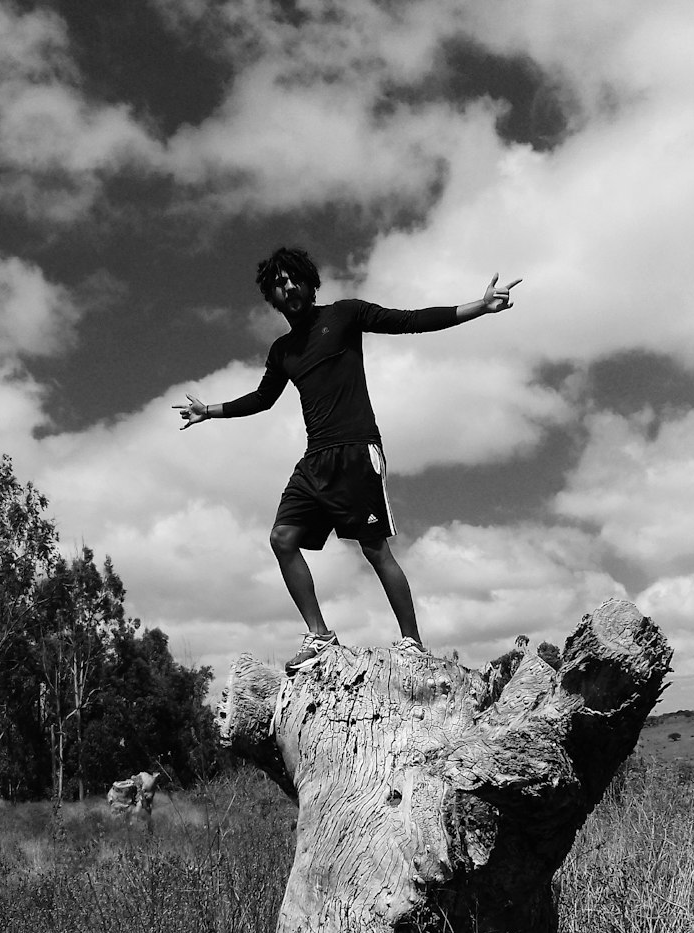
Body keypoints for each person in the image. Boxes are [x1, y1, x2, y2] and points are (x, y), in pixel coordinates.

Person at [175, 247, 521, 672]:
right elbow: (263, 400)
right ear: (272, 298)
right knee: (282, 539)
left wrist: (479, 307)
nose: (288, 287)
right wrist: (209, 410)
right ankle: (319, 636)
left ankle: (412, 644)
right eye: (278, 284)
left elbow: (409, 321)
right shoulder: (282, 351)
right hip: (315, 460)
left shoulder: (344, 315)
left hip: (357, 451)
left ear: (309, 282)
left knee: (374, 550)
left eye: (293, 279)